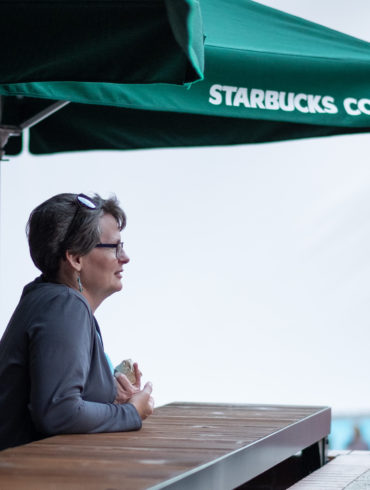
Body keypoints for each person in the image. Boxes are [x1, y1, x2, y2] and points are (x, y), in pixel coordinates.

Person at [0, 192, 154, 451]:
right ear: (75, 258)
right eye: (115, 247)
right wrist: (130, 412)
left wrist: (111, 400)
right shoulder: (65, 306)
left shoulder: (49, 299)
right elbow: (58, 411)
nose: (125, 257)